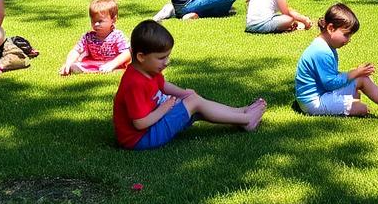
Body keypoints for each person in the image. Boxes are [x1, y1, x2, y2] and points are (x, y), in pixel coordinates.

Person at [113, 21, 265, 150]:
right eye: (161, 58)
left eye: (167, 56)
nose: (166, 62)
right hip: (140, 139)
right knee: (194, 103)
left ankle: (242, 113)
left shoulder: (148, 69)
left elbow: (163, 85)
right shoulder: (134, 83)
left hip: (151, 127)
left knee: (193, 100)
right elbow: (140, 123)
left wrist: (184, 93)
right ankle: (246, 120)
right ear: (141, 57)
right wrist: (164, 108)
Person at [294, 3, 378, 122]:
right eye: (346, 34)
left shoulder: (327, 46)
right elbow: (329, 84)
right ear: (330, 28)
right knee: (362, 109)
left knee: (362, 79)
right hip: (314, 103)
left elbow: (329, 78)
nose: (348, 40)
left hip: (321, 94)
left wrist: (357, 74)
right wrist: (354, 72)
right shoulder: (322, 51)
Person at [60, 0, 132, 75]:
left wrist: (112, 64)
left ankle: (110, 70)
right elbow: (76, 51)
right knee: (75, 66)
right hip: (94, 63)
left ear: (113, 20)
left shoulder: (117, 36)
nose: (96, 24)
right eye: (93, 21)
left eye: (100, 21)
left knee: (123, 69)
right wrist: (68, 63)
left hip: (114, 63)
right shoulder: (88, 37)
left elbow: (127, 53)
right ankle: (77, 69)